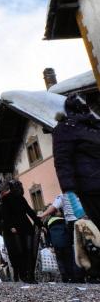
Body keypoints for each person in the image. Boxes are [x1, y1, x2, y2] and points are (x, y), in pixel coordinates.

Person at [52, 94, 100, 231]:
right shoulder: (95, 127)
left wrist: (70, 192)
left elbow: (62, 162)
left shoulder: (64, 128)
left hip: (90, 188)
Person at [0, 179, 39, 282]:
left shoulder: (16, 198)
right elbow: (6, 214)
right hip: (18, 229)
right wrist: (10, 226)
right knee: (22, 252)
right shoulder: (7, 199)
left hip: (22, 228)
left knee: (25, 252)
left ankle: (28, 275)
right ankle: (25, 275)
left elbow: (29, 211)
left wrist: (40, 224)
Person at [39, 196, 78, 282]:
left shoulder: (48, 223)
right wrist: (71, 241)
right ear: (56, 212)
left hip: (56, 245)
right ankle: (71, 277)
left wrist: (49, 244)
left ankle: (64, 276)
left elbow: (47, 235)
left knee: (60, 260)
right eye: (60, 210)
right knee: (68, 259)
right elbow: (67, 232)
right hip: (66, 243)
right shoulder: (63, 221)